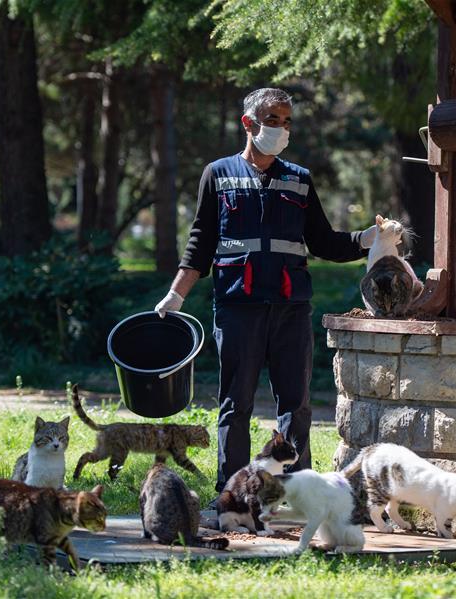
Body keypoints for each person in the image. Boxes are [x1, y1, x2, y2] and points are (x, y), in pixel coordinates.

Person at [154, 88, 377, 492]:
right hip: (238, 307)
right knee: (235, 405)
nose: (282, 128)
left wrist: (367, 238)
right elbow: (200, 241)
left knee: (296, 405)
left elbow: (324, 242)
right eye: (273, 119)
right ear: (249, 123)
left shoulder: (299, 180)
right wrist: (177, 294)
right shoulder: (218, 174)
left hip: (291, 308)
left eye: (287, 121)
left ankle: (296, 492)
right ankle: (233, 494)